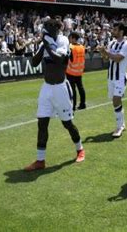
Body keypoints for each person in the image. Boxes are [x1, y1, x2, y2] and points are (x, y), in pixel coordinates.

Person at [25, 19, 85, 171]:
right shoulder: (45, 41)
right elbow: (34, 63)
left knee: (67, 123)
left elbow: (59, 60)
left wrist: (47, 45)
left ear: (59, 28)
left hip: (60, 88)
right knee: (42, 123)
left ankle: (80, 149)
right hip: (47, 88)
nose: (49, 28)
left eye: (53, 26)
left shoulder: (63, 40)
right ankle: (40, 160)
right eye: (47, 26)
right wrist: (41, 46)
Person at [98, 22, 127, 138]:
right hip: (111, 76)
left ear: (121, 32)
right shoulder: (112, 43)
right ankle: (122, 124)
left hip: (120, 77)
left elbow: (118, 59)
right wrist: (102, 52)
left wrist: (106, 52)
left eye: (115, 29)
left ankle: (119, 127)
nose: (113, 31)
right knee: (115, 101)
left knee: (116, 100)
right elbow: (107, 59)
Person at [66, 32, 86, 110]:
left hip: (71, 71)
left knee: (72, 90)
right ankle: (83, 104)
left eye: (70, 38)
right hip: (79, 71)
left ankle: (73, 106)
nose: (69, 40)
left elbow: (67, 58)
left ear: (73, 38)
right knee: (81, 88)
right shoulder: (82, 47)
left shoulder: (70, 47)